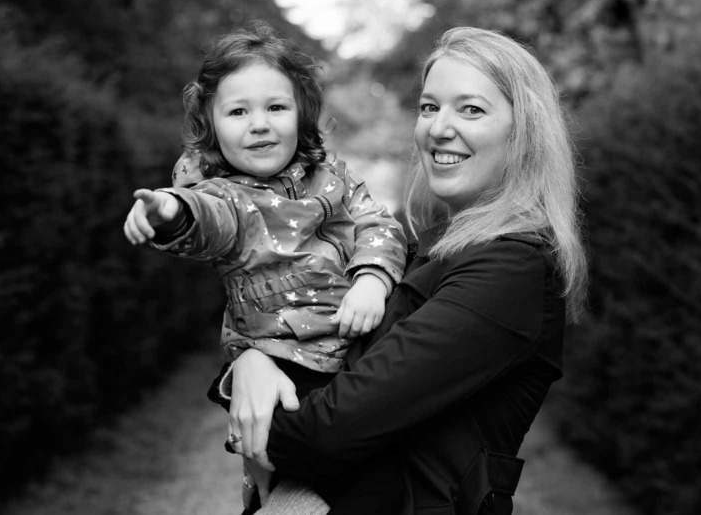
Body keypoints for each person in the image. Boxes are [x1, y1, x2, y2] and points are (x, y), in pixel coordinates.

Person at [221, 26, 589, 515]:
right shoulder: (424, 248)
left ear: (524, 134)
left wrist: (251, 411)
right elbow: (315, 341)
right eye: (430, 106)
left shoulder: (512, 268)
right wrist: (248, 361)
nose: (438, 127)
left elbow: (328, 431)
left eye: (471, 109)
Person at [122, 21, 409, 512]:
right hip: (280, 365)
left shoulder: (334, 178)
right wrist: (170, 210)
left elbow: (378, 225)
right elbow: (208, 220)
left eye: (276, 107)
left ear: (302, 114)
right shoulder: (225, 194)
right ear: (211, 125)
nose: (259, 123)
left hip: (355, 350)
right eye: (238, 112)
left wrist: (372, 279)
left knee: (367, 478)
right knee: (284, 484)